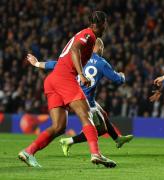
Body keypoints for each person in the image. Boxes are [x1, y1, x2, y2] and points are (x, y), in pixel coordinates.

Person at [18, 11, 117, 168]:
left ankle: (28, 152)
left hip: (52, 80)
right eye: (106, 24)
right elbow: (74, 50)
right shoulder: (89, 35)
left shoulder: (83, 35)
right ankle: (96, 154)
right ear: (103, 24)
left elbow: (63, 60)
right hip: (65, 80)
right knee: (86, 116)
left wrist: (38, 64)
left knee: (59, 127)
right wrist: (81, 74)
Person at [26, 38, 134, 157]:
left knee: (102, 113)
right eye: (102, 48)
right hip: (84, 99)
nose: (102, 50)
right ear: (98, 48)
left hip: (70, 95)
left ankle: (117, 139)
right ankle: (70, 142)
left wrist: (36, 63)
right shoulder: (101, 62)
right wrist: (122, 76)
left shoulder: (79, 59)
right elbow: (117, 80)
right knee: (101, 129)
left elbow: (55, 64)